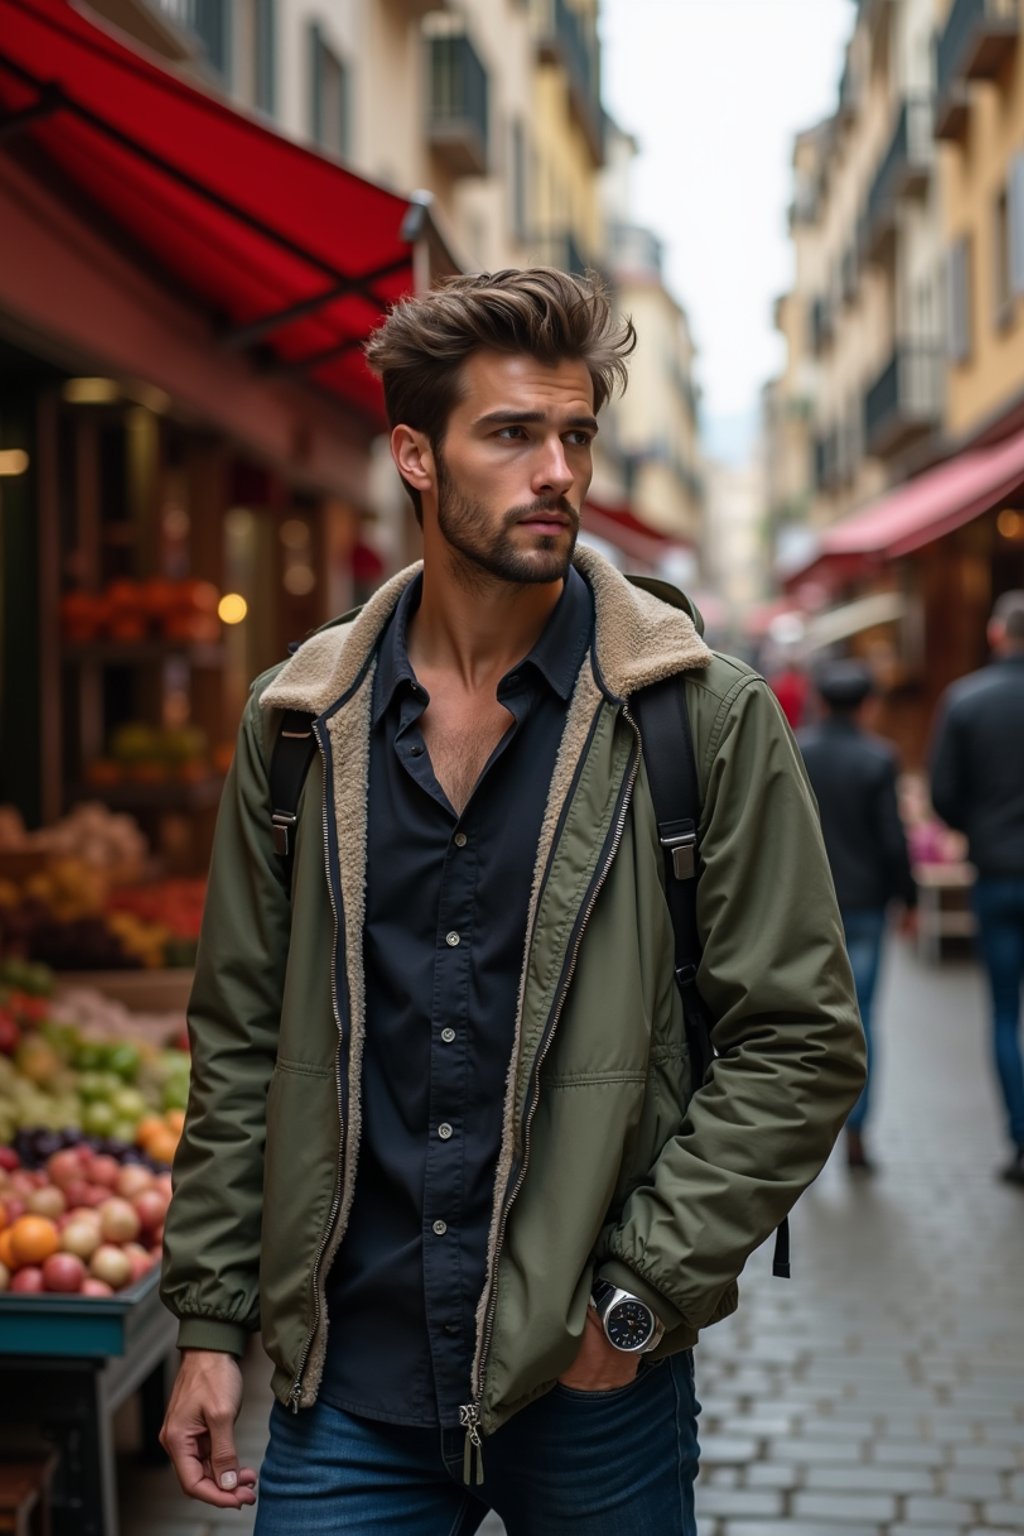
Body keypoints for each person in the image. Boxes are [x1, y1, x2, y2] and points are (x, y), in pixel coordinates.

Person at [159, 268, 865, 1535]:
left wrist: (638, 1296)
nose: (558, 470)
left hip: (593, 1388)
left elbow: (800, 1043)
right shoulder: (298, 727)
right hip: (347, 1384)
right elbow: (242, 1043)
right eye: (511, 434)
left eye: (576, 434)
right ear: (415, 455)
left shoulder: (700, 717)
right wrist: (212, 1318)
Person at [797, 659, 917, 1173]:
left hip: (807, 908)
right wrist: (907, 898)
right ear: (868, 704)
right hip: (866, 905)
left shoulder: (797, 749)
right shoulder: (878, 758)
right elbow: (894, 839)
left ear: (820, 701)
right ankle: (859, 1133)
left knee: (805, 1021)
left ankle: (805, 1133)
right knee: (862, 1019)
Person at [930, 590, 1024, 1188]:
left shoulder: (966, 700)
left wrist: (980, 832)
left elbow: (943, 794)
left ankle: (1020, 1138)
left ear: (996, 636)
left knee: (1003, 1012)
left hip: (996, 874)